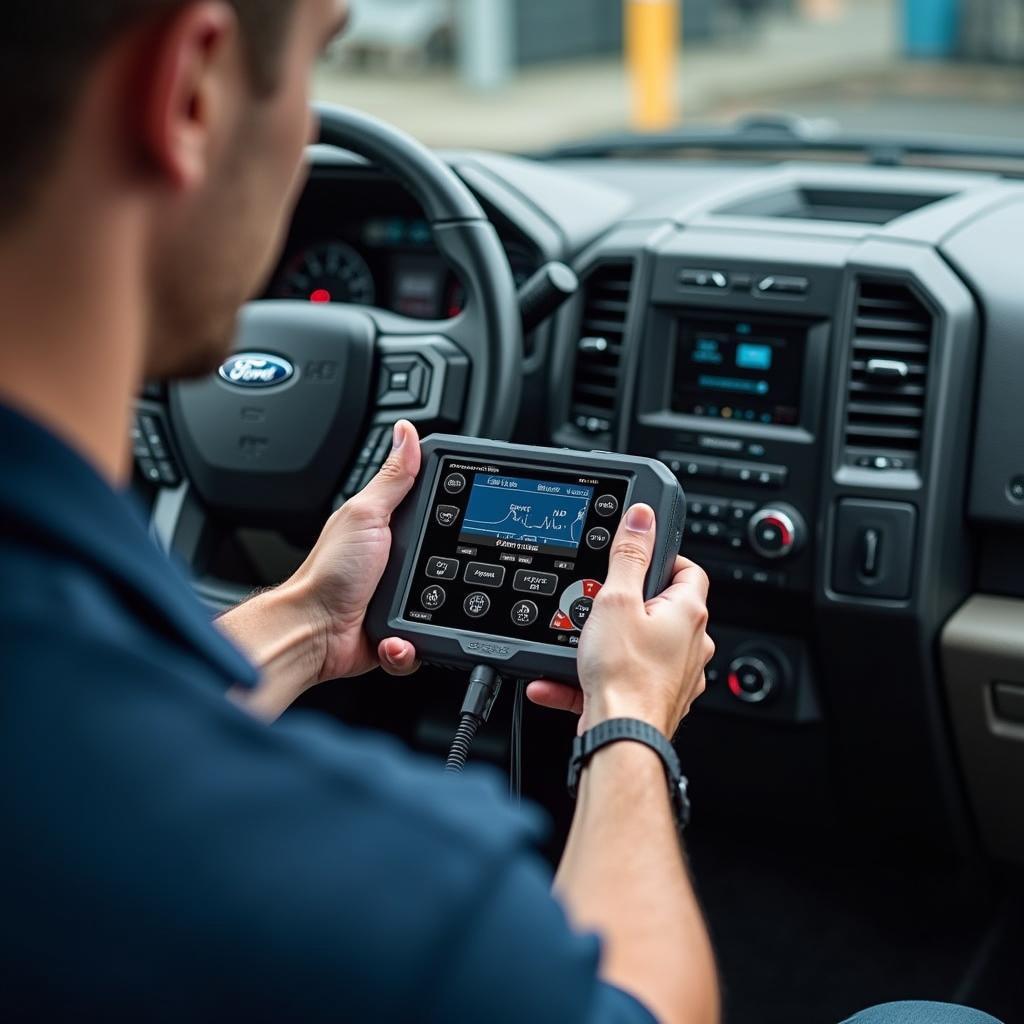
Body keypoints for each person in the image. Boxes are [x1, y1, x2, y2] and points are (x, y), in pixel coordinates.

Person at [0, 3, 1002, 1023]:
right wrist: (628, 722)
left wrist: (308, 617)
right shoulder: (422, 892)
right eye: (316, 64)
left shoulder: (69, 725)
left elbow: (129, 738)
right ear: (191, 92)